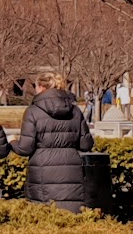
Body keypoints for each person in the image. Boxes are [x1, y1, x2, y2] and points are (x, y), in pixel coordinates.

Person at [12, 72, 95, 211]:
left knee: (44, 217)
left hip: (42, 172)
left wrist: (13, 142)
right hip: (71, 172)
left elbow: (25, 148)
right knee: (71, 215)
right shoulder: (75, 110)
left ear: (42, 87)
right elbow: (86, 144)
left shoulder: (33, 111)